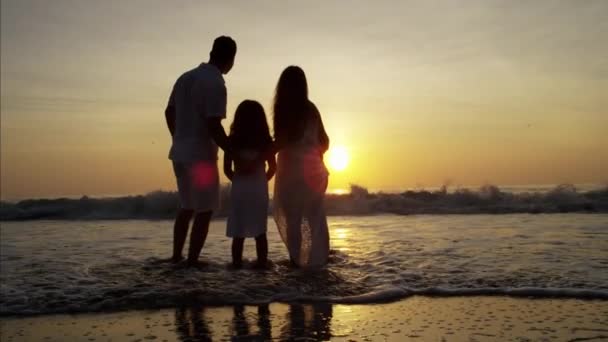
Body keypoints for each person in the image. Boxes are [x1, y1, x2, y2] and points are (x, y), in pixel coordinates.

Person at [164, 36, 236, 267]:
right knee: (205, 210)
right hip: (201, 159)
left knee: (187, 207)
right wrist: (231, 151)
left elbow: (169, 111)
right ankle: (192, 261)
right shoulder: (215, 83)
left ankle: (177, 256)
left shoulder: (185, 77)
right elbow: (214, 125)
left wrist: (178, 137)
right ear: (230, 59)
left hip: (179, 154)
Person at [272, 66, 330, 268]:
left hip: (291, 174)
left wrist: (257, 152)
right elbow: (325, 140)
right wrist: (315, 156)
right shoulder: (311, 109)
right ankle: (319, 262)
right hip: (316, 174)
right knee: (316, 220)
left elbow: (282, 141)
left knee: (294, 221)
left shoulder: (284, 109)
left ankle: (297, 262)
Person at [224, 100, 276, 269]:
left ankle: (236, 265)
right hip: (258, 189)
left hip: (240, 189)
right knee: (260, 232)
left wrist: (239, 180)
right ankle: (262, 265)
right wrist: (261, 179)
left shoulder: (232, 141)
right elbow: (273, 168)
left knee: (238, 233)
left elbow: (226, 170)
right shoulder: (265, 141)